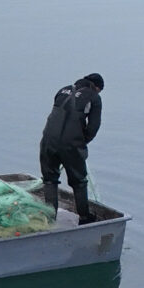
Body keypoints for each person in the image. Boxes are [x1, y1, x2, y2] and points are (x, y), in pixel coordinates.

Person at [38, 73, 105, 222]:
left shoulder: (63, 90)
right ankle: (84, 216)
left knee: (50, 179)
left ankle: (49, 219)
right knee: (79, 181)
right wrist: (81, 142)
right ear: (97, 87)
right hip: (71, 144)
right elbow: (93, 127)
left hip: (48, 141)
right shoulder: (94, 97)